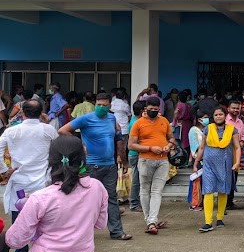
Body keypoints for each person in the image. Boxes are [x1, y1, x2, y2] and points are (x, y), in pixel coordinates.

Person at [4, 136, 108, 252]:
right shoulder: (97, 188)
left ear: (51, 161)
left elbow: (15, 240)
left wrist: (29, 210)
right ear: (82, 158)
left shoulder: (41, 198)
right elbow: (101, 224)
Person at [59, 93, 131, 241]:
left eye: (105, 105)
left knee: (111, 198)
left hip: (110, 165)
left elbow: (118, 138)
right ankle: (81, 234)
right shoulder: (86, 118)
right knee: (86, 199)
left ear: (110, 106)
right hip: (91, 166)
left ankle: (117, 232)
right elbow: (63, 130)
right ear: (95, 104)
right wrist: (79, 145)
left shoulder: (112, 118)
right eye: (99, 105)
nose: (101, 107)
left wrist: (122, 159)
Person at [0, 100, 58, 252]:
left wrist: (4, 170)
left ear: (22, 113)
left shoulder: (12, 131)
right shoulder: (48, 130)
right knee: (44, 218)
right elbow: (58, 148)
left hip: (19, 182)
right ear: (41, 113)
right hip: (42, 182)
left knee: (20, 217)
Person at [128, 97, 175, 235]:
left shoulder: (164, 121)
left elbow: (171, 138)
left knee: (156, 191)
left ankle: (152, 220)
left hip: (163, 160)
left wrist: (168, 145)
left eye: (156, 109)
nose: (154, 112)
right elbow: (131, 145)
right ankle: (149, 220)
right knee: (144, 190)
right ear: (145, 109)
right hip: (145, 160)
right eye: (151, 109)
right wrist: (150, 148)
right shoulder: (138, 123)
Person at [193, 106, 241, 233]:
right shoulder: (207, 129)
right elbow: (202, 147)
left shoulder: (232, 130)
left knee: (223, 190)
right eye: (216, 115)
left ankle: (220, 218)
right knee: (207, 191)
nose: (218, 117)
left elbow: (237, 147)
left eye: (220, 114)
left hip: (225, 163)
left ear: (225, 116)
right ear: (212, 117)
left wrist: (237, 162)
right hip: (209, 164)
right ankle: (208, 222)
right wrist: (196, 162)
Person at [188, 111, 207, 211]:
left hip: (207, 159)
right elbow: (195, 146)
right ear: (199, 119)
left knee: (203, 182)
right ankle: (194, 202)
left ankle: (201, 201)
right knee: (196, 181)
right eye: (205, 117)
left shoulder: (205, 130)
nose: (207, 119)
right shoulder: (193, 130)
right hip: (198, 159)